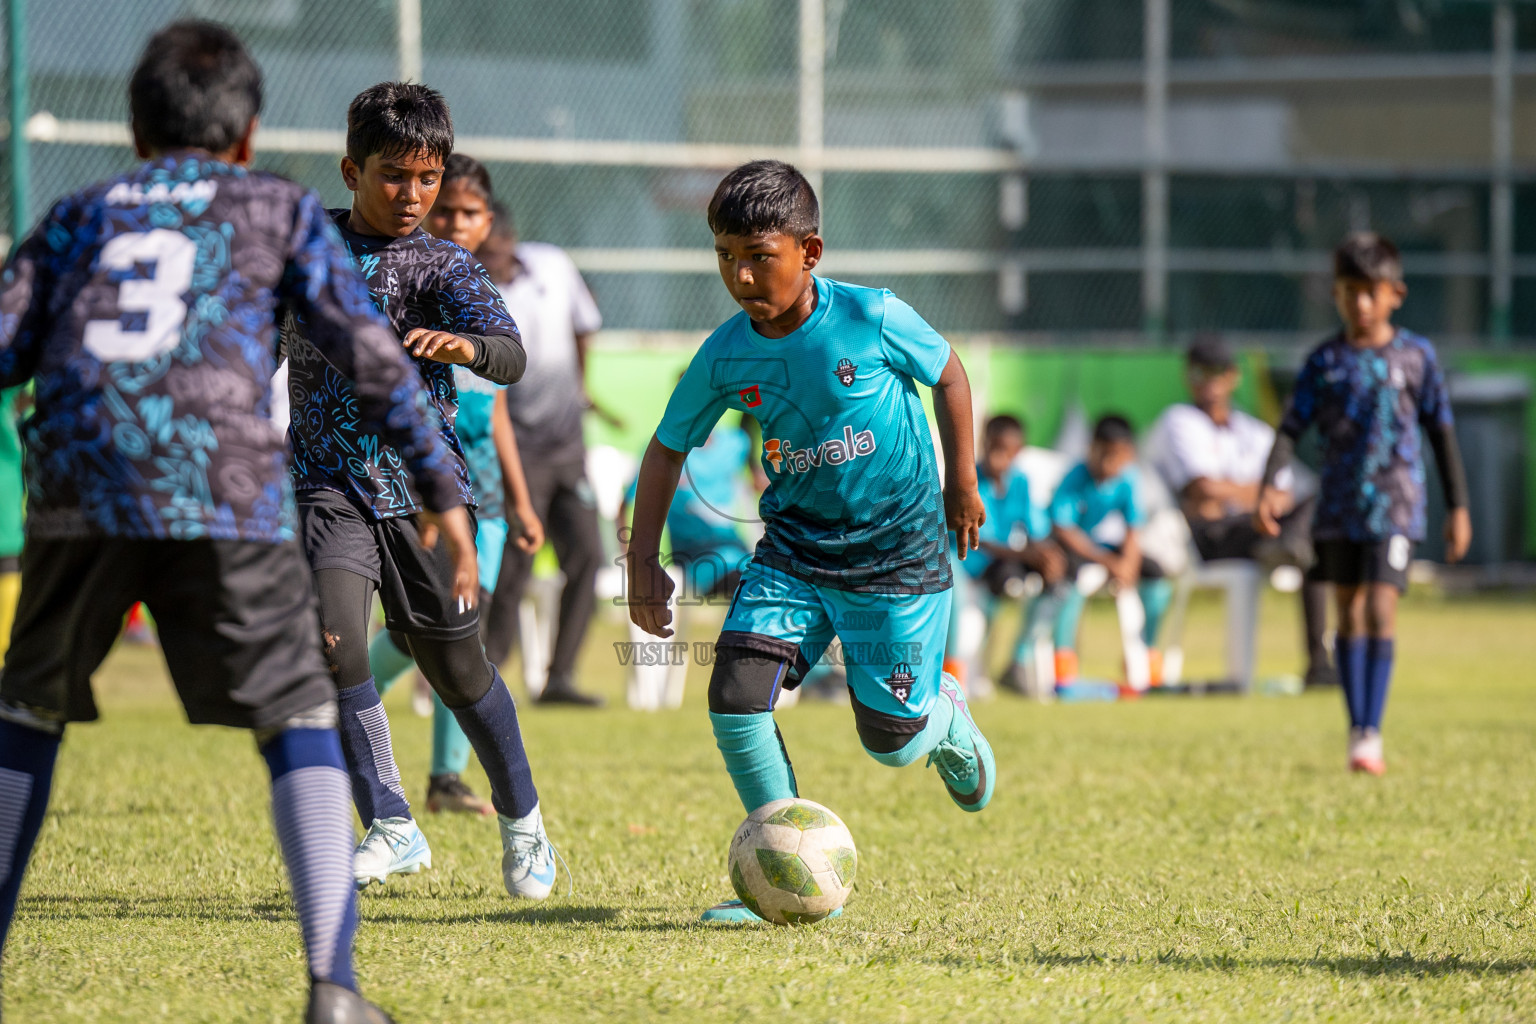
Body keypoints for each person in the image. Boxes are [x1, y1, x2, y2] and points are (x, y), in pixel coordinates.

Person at [0, 22, 458, 1022]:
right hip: (218, 478)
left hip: (79, 480)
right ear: (247, 135)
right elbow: (371, 357)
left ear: (135, 128)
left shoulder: (82, 213)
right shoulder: (277, 207)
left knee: (25, 714)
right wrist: (441, 487)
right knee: (297, 712)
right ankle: (334, 988)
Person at [627, 160, 994, 923]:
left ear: (811, 252)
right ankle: (776, 876)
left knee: (892, 743)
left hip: (897, 552)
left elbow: (950, 375)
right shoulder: (727, 353)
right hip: (794, 550)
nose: (741, 274)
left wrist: (964, 482)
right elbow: (666, 448)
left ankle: (945, 717)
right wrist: (641, 563)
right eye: (726, 255)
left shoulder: (874, 316)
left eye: (760, 256)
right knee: (733, 697)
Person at [284, 83, 559, 898]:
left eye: (429, 178)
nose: (413, 196)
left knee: (460, 670)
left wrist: (469, 348)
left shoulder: (444, 263)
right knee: (331, 640)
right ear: (351, 169)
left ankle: (526, 825)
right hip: (328, 485)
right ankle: (394, 823)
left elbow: (509, 354)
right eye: (395, 176)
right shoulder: (308, 253)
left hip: (426, 496)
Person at [365, 158, 546, 817]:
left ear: (486, 222)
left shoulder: (486, 306)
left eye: (468, 214)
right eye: (446, 213)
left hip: (489, 503)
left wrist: (522, 503)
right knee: (427, 635)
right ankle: (347, 689)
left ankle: (445, 778)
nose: (454, 223)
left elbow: (497, 416)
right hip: (423, 494)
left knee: (464, 636)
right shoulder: (400, 294)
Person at [1257, 232, 1471, 775]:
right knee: (1348, 610)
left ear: (1395, 293)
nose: (1361, 303)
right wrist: (1269, 482)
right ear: (1337, 294)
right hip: (1338, 507)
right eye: (1350, 291)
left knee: (1380, 606)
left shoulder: (1416, 357)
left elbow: (1441, 433)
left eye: (1371, 292)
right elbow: (1290, 428)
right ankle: (1357, 729)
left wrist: (1459, 507)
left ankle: (1372, 730)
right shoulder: (1325, 361)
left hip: (1396, 507)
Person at [1149, 336, 1334, 687]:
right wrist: (1259, 494)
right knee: (1304, 539)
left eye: (1216, 371)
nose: (1207, 381)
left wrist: (1237, 491)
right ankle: (1287, 544)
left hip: (1258, 525)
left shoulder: (1252, 430)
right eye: (1198, 372)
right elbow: (1202, 489)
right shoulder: (1180, 421)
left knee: (1317, 520)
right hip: (1211, 536)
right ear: (1187, 376)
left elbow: (1290, 489)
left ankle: (1318, 663)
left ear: (1233, 376)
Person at [480, 201, 609, 706]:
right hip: (517, 445)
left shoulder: (552, 264)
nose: (485, 259)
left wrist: (582, 388)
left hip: (566, 442)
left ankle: (560, 679)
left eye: (492, 249)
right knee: (515, 562)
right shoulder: (474, 288)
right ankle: (486, 679)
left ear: (509, 241)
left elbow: (584, 324)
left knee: (588, 556)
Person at [943, 414, 1065, 692]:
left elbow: (1035, 530)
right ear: (983, 444)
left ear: (1018, 452)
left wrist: (1047, 555)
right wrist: (1027, 555)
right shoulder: (968, 481)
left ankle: (1019, 660)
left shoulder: (1020, 482)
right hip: (963, 563)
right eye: (993, 447)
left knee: (1057, 580)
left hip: (999, 565)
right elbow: (979, 539)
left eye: (1006, 451)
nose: (999, 457)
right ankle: (950, 676)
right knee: (959, 600)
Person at [1047, 415, 1173, 684]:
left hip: (1104, 549)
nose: (1108, 464)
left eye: (1116, 456)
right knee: (1070, 579)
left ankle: (1146, 653)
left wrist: (1128, 563)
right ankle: (1063, 660)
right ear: (1091, 448)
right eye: (1103, 455)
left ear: (1129, 455)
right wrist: (1109, 562)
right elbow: (1064, 529)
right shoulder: (1075, 477)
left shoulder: (1128, 479)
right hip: (1073, 549)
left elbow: (1133, 529)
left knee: (1156, 576)